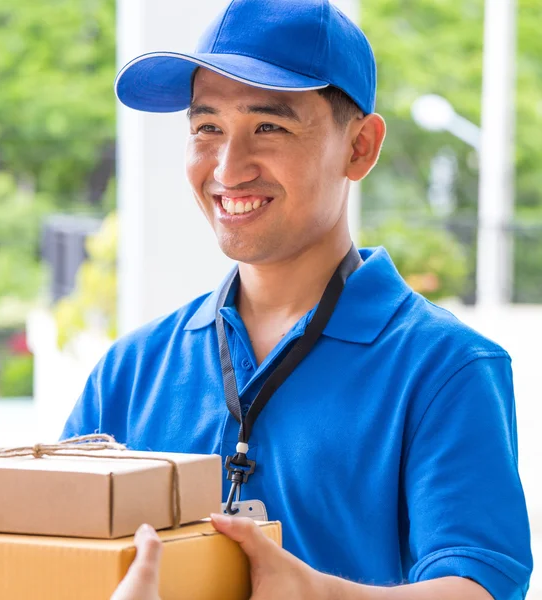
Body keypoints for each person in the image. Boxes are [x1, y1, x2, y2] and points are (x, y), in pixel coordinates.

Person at [63, 1, 533, 598]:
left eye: (269, 126)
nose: (229, 170)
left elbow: (477, 585)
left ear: (360, 147)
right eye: (207, 127)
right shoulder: (130, 369)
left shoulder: (446, 368)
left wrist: (321, 594)